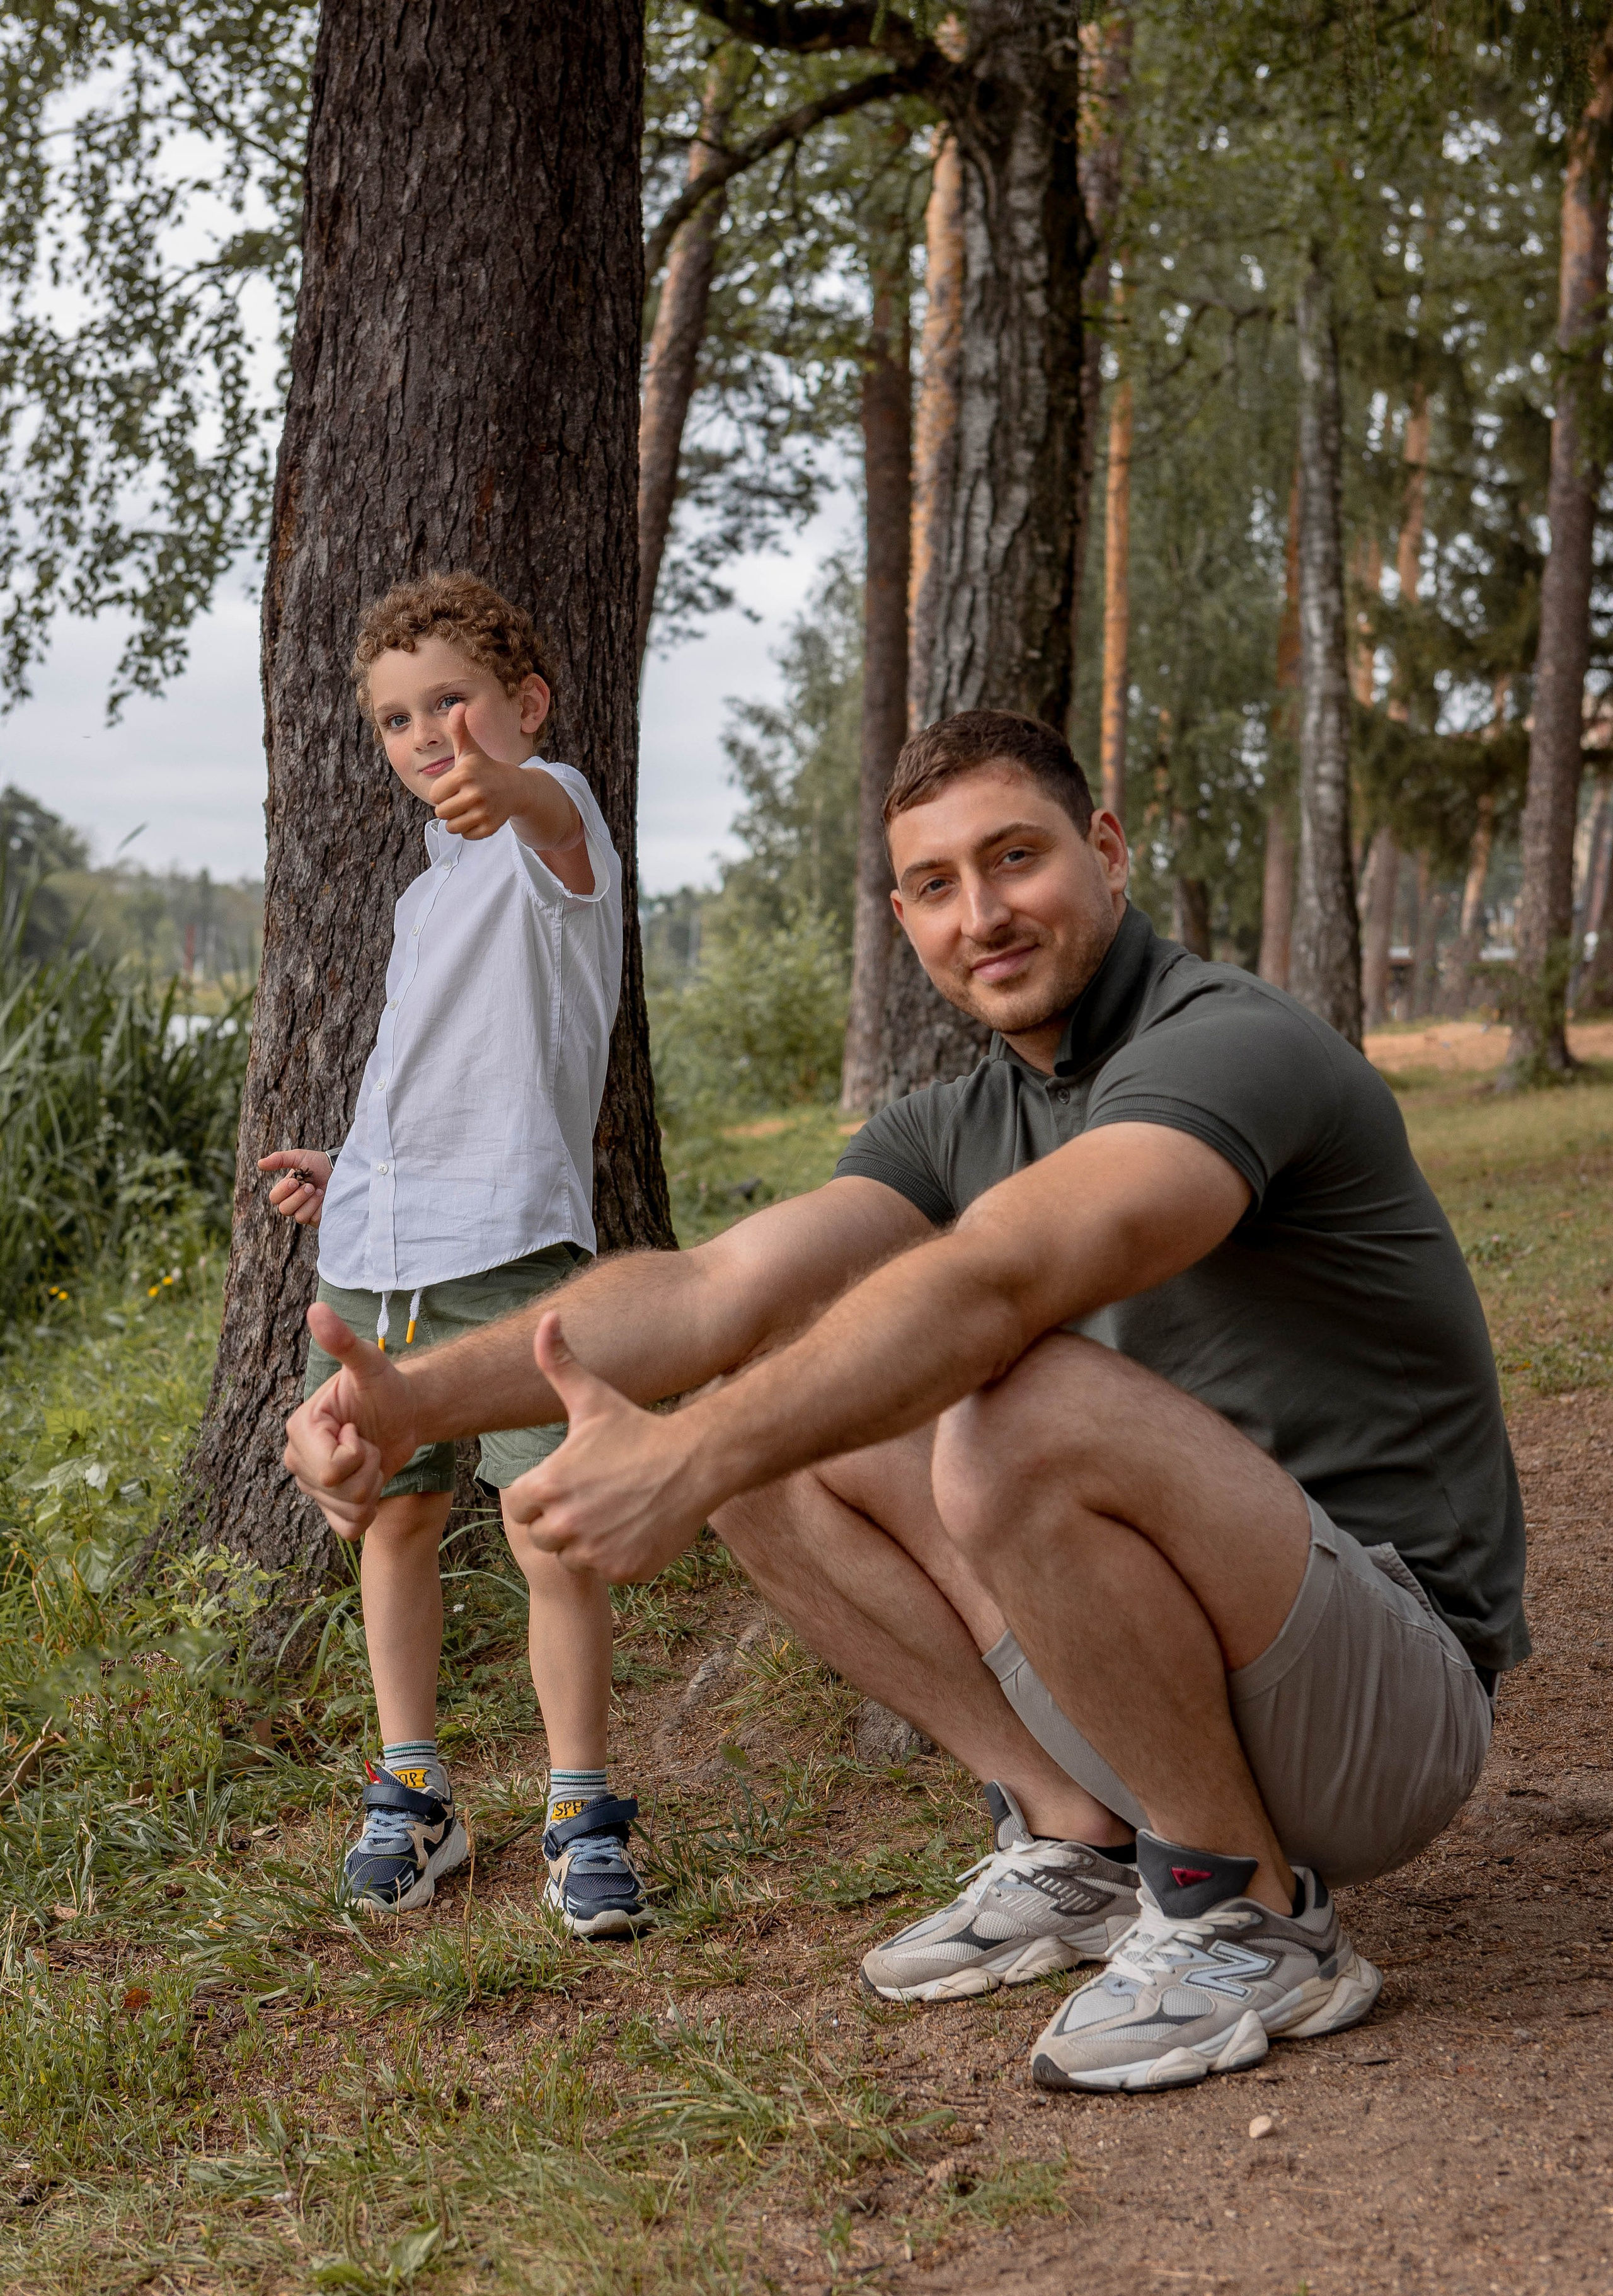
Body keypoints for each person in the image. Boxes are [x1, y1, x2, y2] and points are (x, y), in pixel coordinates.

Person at [284, 708, 1525, 2092]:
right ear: (901, 916)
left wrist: (685, 1456)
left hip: (1384, 1700)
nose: (981, 913)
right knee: (768, 1414)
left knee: (1016, 1404)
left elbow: (1002, 1280)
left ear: (1104, 852)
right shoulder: (951, 1124)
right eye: (936, 886)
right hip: (1177, 1680)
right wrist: (412, 1402)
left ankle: (1247, 1910)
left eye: (1015, 859)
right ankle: (1077, 1840)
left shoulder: (1231, 1045)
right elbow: (706, 1292)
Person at [260, 571, 644, 1934]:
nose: (427, 737)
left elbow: (550, 817)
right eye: (395, 720)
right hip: (380, 1249)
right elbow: (423, 1075)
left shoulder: (559, 824)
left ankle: (581, 1804)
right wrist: (344, 1168)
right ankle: (412, 1790)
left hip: (512, 1248)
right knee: (396, 1512)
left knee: (547, 1525)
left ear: (522, 705)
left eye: (452, 705)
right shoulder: (429, 892)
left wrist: (521, 787)